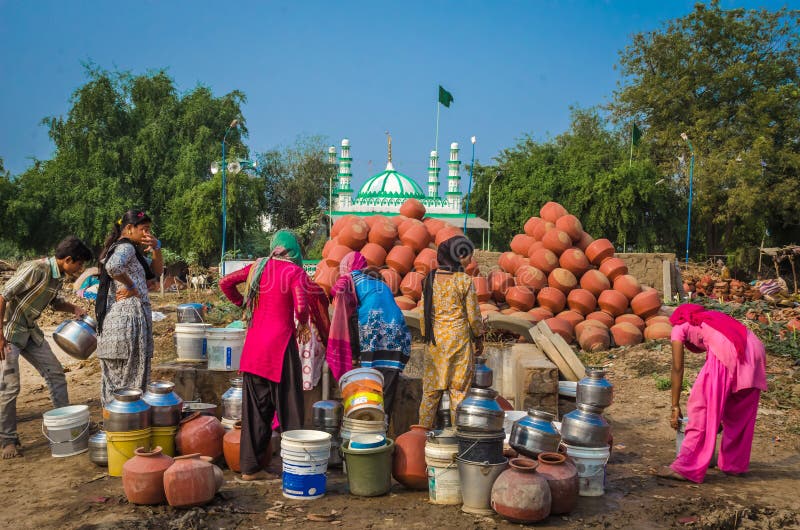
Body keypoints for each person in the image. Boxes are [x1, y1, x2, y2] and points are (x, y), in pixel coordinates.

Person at [219, 230, 328, 481]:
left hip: (253, 351)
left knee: (255, 412)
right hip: (280, 349)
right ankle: (294, 468)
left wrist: (243, 304)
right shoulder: (294, 272)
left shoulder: (258, 267)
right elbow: (301, 306)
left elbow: (224, 283)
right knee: (290, 410)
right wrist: (301, 323)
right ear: (294, 251)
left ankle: (250, 469)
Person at [0, 236, 92, 458]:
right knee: (10, 387)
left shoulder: (58, 276)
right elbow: (2, 296)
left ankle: (64, 423)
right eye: (79, 264)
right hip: (9, 332)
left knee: (56, 374)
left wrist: (74, 309)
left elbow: (55, 303)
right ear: (68, 259)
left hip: (31, 332)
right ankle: (7, 441)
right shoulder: (36, 269)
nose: (80, 269)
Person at [657, 303, 767, 483]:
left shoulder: (678, 327)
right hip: (754, 348)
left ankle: (686, 467)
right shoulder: (711, 318)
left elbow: (677, 368)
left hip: (728, 349)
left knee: (702, 408)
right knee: (740, 413)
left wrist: (675, 406)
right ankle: (733, 465)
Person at [328, 252, 411, 425]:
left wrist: (352, 353)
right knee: (386, 390)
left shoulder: (351, 277)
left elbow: (336, 292)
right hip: (398, 337)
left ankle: (365, 429)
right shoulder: (380, 282)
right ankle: (382, 431)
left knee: (369, 386)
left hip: (373, 334)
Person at [96, 210, 163, 407]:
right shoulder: (126, 248)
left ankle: (113, 429)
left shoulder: (129, 250)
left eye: (149, 229)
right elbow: (114, 267)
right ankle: (127, 431)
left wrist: (156, 248)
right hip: (127, 323)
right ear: (128, 228)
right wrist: (132, 286)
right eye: (143, 229)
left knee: (114, 384)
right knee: (129, 386)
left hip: (113, 324)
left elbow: (157, 271)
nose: (146, 234)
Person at [418, 235, 484, 429]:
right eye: (468, 257)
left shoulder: (429, 279)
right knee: (459, 394)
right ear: (459, 257)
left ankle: (421, 436)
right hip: (459, 343)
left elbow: (423, 314)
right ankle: (457, 438)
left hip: (436, 343)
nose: (471, 261)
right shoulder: (464, 281)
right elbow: (474, 316)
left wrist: (426, 336)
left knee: (430, 394)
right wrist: (479, 337)